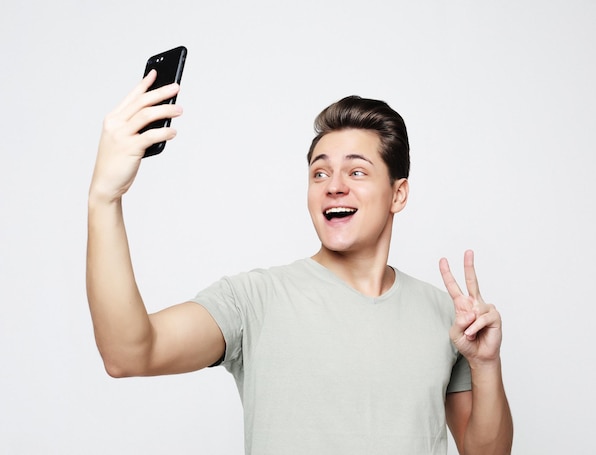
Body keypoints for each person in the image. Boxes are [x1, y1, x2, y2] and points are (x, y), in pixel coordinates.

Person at [87, 69, 513, 455]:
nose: (334, 186)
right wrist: (104, 198)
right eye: (320, 173)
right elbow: (128, 353)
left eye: (357, 172)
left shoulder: (447, 317)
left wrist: (485, 364)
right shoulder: (252, 301)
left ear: (398, 194)